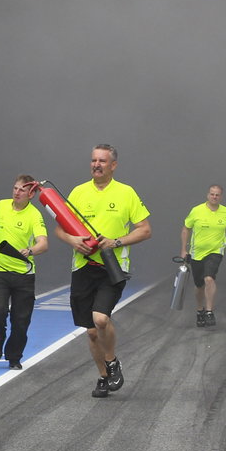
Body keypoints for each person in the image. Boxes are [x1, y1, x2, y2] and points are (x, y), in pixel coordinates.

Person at [53, 144, 151, 397]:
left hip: (112, 267)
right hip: (83, 267)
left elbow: (144, 229)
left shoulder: (126, 193)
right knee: (92, 331)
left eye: (102, 161)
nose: (97, 165)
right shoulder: (78, 192)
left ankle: (112, 361)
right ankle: (103, 376)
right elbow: (60, 229)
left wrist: (116, 242)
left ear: (113, 165)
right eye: (94, 160)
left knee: (101, 318)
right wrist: (73, 241)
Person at [0, 174, 49, 369]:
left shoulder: (34, 215)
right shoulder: (1, 206)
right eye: (15, 188)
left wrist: (30, 250)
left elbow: (43, 243)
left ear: (31, 194)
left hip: (23, 275)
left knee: (21, 321)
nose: (17, 193)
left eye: (22, 190)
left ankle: (14, 356)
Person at [180, 184, 226, 327]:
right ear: (208, 195)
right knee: (199, 285)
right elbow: (186, 229)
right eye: (212, 194)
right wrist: (183, 249)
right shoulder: (196, 211)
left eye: (217, 195)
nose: (214, 197)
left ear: (221, 197)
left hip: (215, 251)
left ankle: (209, 311)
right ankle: (200, 310)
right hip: (197, 253)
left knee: (209, 278)